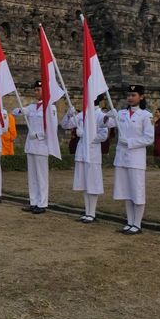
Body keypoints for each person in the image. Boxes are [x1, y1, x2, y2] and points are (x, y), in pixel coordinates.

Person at [61, 95, 113, 223]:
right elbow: (65, 125)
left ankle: (92, 213)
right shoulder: (81, 115)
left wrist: (86, 136)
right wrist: (68, 114)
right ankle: (87, 212)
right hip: (81, 153)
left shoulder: (100, 115)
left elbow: (103, 135)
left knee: (93, 183)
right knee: (84, 183)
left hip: (93, 153)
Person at [112, 85, 154, 235]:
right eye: (129, 95)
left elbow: (149, 138)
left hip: (136, 158)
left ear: (141, 97)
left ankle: (137, 223)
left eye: (133, 95)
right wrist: (107, 116)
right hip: (122, 158)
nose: (130, 97)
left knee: (137, 191)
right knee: (126, 191)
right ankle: (129, 222)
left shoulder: (146, 115)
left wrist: (130, 142)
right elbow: (107, 123)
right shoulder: (121, 113)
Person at [12, 80, 58, 214]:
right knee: (32, 177)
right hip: (31, 146)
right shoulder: (32, 107)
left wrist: (38, 135)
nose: (36, 92)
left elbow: (52, 128)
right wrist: (20, 108)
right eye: (35, 90)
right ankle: (33, 202)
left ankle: (42, 203)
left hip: (41, 145)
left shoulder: (51, 108)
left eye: (39, 90)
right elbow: (16, 112)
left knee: (41, 177)